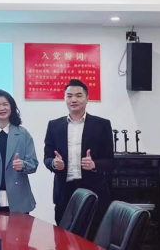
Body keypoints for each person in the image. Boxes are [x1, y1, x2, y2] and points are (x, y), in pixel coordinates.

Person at [44, 79, 114, 237]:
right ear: (64, 99)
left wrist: (94, 164)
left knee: (93, 239)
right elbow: (47, 158)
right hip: (64, 193)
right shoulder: (54, 126)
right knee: (64, 239)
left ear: (87, 99)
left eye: (78, 95)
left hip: (94, 193)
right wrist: (54, 163)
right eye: (69, 96)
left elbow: (110, 161)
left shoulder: (102, 125)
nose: (73, 99)